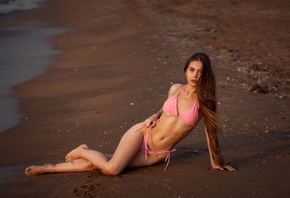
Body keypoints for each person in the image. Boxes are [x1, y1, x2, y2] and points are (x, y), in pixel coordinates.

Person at [25, 52, 235, 176]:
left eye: (199, 71)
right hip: (142, 133)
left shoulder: (205, 103)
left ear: (205, 74)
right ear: (185, 70)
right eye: (191, 70)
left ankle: (50, 168)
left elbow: (210, 133)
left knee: (104, 163)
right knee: (112, 169)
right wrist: (155, 115)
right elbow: (165, 109)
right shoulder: (175, 88)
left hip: (156, 154)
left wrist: (216, 161)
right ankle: (81, 150)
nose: (195, 75)